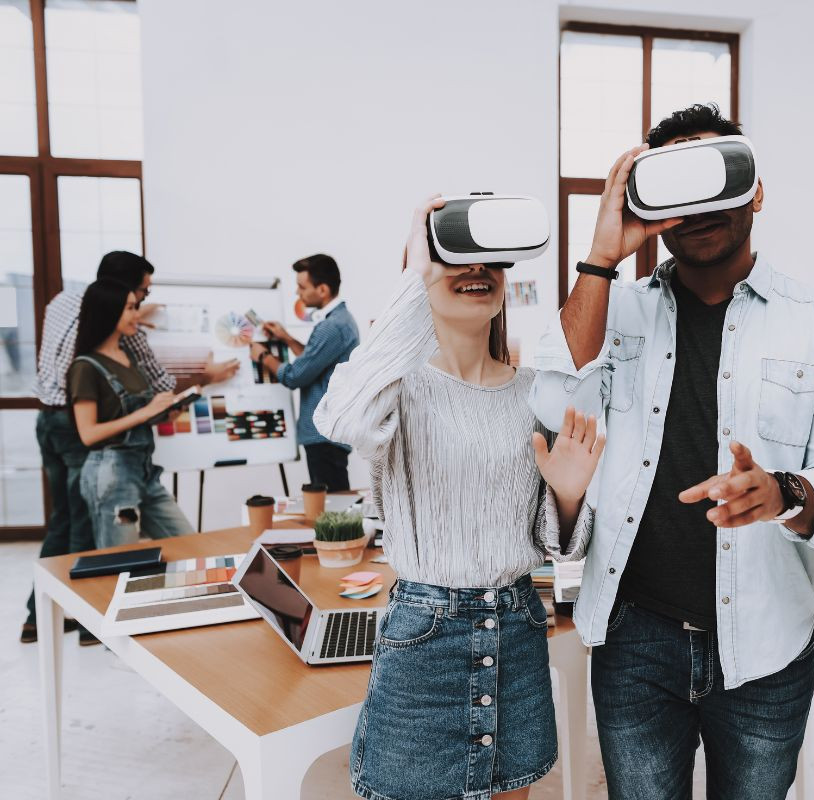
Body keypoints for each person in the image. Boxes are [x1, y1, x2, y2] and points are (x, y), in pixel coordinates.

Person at [528, 104, 814, 798]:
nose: (701, 206)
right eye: (676, 187)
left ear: (756, 190)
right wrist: (601, 255)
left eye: (718, 178)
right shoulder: (614, 308)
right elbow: (552, 405)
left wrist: (784, 492)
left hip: (766, 643)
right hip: (635, 636)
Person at [314, 196, 604, 800]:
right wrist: (417, 266)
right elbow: (340, 418)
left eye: (490, 262)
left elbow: (552, 540)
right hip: (425, 641)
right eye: (456, 258)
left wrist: (570, 496)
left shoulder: (534, 395)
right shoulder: (397, 391)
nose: (477, 271)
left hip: (519, 628)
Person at [22, 251, 237, 645]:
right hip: (92, 442)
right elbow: (102, 418)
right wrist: (196, 380)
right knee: (86, 534)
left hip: (52, 420)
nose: (142, 307)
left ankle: (40, 619)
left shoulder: (64, 303)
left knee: (66, 521)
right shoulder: (97, 357)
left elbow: (151, 393)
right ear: (120, 294)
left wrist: (174, 398)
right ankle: (90, 622)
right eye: (138, 298)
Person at [69, 279, 194, 550]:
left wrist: (162, 413)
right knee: (120, 561)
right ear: (108, 312)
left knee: (190, 545)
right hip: (112, 476)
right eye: (129, 308)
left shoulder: (127, 357)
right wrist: (146, 412)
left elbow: (134, 415)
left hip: (145, 472)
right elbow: (88, 434)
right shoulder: (86, 367)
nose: (137, 314)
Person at [253, 254, 359, 491]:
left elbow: (295, 376)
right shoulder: (338, 321)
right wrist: (287, 338)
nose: (297, 293)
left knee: (334, 513)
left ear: (322, 290)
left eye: (302, 287)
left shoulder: (332, 326)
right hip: (327, 437)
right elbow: (314, 361)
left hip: (325, 437)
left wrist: (262, 356)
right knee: (332, 509)